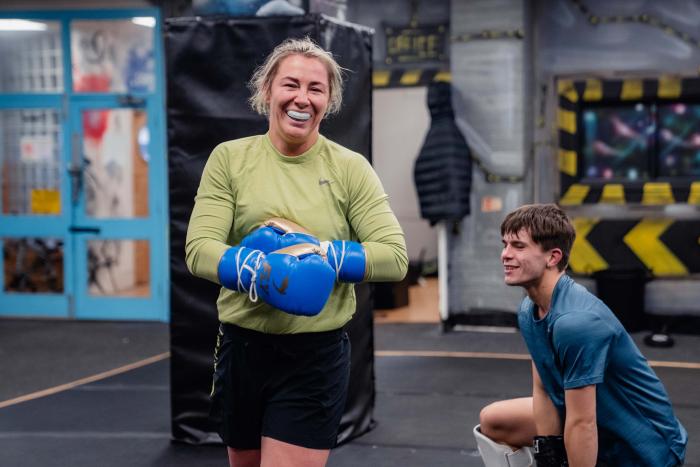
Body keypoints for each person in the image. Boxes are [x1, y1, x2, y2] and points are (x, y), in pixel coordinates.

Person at [185, 36, 408, 467]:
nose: (301, 98)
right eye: (290, 85)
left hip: (314, 357)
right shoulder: (229, 159)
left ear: (329, 101)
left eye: (315, 89)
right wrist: (260, 269)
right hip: (241, 350)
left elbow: (394, 257)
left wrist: (320, 254)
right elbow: (199, 249)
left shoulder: (348, 168)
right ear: (267, 90)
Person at [474, 204, 687, 467]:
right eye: (505, 244)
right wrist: (548, 453)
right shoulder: (530, 310)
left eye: (518, 246)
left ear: (552, 257)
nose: (505, 254)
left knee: (580, 434)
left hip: (643, 447)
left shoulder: (576, 322)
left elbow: (583, 422)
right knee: (493, 420)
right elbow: (543, 389)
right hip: (588, 417)